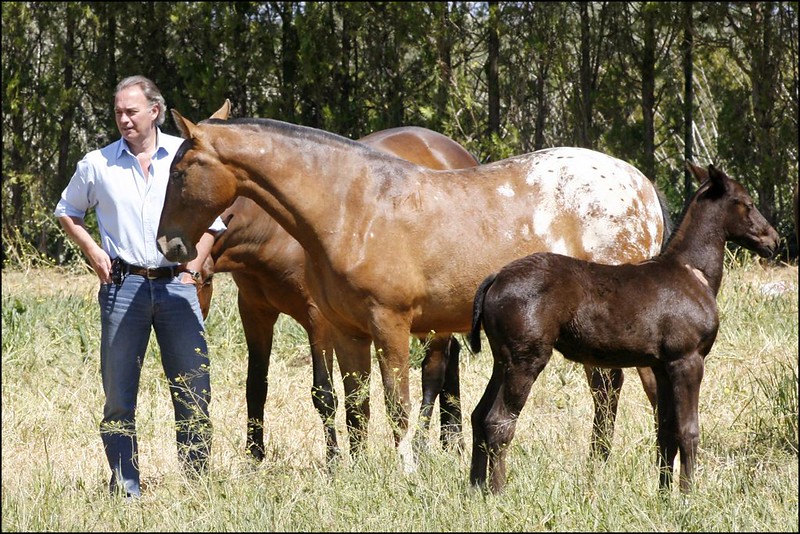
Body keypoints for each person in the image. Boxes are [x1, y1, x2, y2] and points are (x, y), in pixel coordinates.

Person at [54, 75, 225, 499]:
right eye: (118, 113)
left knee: (193, 389)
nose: (124, 119)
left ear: (155, 111)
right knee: (118, 394)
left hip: (177, 289)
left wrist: (194, 268)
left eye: (132, 111)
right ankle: (126, 487)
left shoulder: (182, 158)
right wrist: (94, 251)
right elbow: (67, 211)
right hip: (122, 286)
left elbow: (214, 220)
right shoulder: (98, 164)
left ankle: (196, 486)